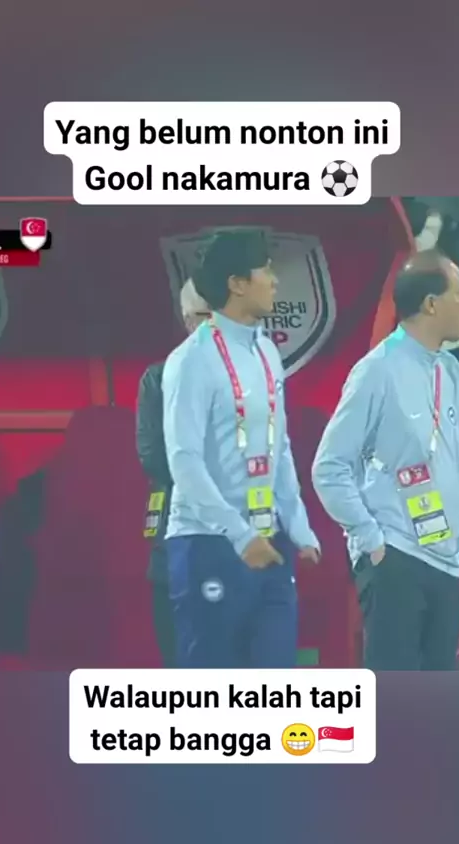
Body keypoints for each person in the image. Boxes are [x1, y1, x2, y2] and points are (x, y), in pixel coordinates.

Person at [162, 229, 320, 669]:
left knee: (274, 679)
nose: (274, 280)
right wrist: (240, 534)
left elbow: (279, 445)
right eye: (265, 270)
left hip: (269, 539)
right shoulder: (191, 360)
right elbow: (184, 460)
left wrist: (299, 526)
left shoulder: (267, 352)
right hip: (209, 542)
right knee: (213, 690)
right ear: (236, 283)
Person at [312, 250, 459, 671]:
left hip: (447, 561)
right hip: (396, 557)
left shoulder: (450, 372)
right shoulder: (377, 369)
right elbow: (329, 467)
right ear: (431, 304)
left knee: (436, 699)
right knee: (396, 696)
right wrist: (372, 542)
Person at [136, 279, 210, 666]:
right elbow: (154, 457)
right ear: (188, 320)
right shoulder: (158, 380)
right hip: (176, 543)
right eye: (208, 316)